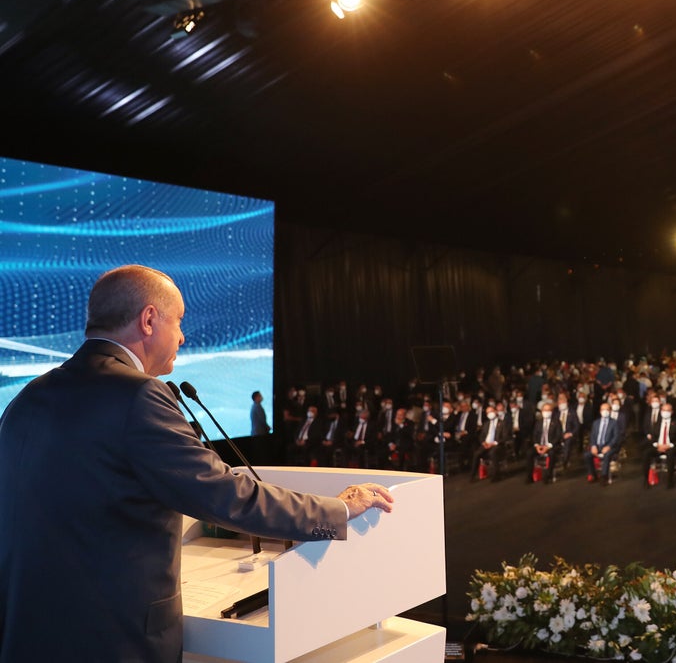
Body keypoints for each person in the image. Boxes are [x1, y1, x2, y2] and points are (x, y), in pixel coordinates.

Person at [0, 264, 393, 663]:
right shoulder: (138, 396)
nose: (184, 336)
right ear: (149, 319)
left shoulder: (27, 398)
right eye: (180, 320)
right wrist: (338, 509)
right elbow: (226, 495)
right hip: (114, 641)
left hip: (28, 634)